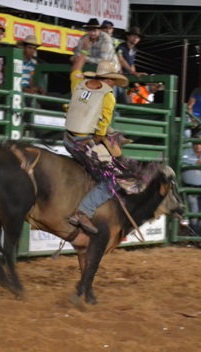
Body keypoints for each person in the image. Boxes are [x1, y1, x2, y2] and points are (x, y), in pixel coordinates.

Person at [63, 50, 129, 234]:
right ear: (108, 79)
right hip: (82, 144)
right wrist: (99, 139)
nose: (113, 83)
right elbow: (100, 131)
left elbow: (75, 70)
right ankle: (83, 211)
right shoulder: (108, 96)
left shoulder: (79, 83)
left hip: (67, 138)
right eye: (113, 80)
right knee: (112, 181)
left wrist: (83, 52)